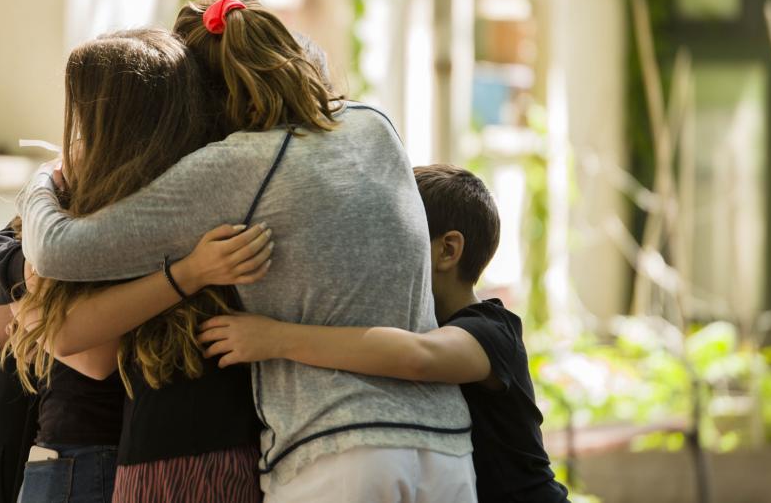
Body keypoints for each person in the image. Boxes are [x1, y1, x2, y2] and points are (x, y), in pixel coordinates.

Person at [15, 0, 476, 501]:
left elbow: (58, 248)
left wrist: (41, 179)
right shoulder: (375, 124)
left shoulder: (237, 165)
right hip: (446, 448)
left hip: (337, 451)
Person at [0, 28, 273, 503]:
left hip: (91, 459)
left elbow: (89, 356)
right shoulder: (87, 203)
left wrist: (35, 297)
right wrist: (30, 278)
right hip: (78, 456)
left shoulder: (132, 216)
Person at [200, 165, 571, 503]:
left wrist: (275, 338)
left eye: (397, 240)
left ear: (448, 250)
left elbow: (419, 357)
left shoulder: (493, 330)